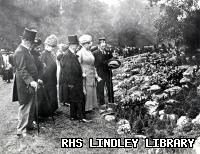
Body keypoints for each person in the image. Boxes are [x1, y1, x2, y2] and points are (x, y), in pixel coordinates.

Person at [13, 28, 40, 137]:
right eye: (31, 42)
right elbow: (22, 69)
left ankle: (29, 125)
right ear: (26, 41)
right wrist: (31, 81)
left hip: (31, 82)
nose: (32, 45)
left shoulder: (26, 50)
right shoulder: (19, 51)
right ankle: (21, 130)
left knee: (31, 105)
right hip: (25, 84)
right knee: (25, 106)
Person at [59, 35, 90, 123]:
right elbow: (67, 71)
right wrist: (71, 83)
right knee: (79, 98)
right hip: (73, 81)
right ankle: (81, 117)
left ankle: (73, 116)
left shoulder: (71, 53)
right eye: (76, 45)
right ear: (72, 45)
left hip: (74, 81)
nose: (77, 46)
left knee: (73, 99)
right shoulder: (67, 55)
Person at [77, 34, 100, 113]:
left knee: (92, 88)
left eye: (89, 43)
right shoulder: (80, 53)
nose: (90, 45)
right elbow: (78, 64)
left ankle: (91, 106)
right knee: (87, 89)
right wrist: (82, 72)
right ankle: (86, 107)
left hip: (92, 72)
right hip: (85, 73)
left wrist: (96, 73)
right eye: (88, 43)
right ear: (84, 44)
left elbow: (93, 63)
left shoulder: (89, 51)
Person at [93, 37, 114, 108]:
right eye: (102, 45)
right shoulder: (95, 53)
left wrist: (112, 63)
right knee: (100, 88)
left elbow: (112, 60)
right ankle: (101, 103)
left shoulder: (108, 52)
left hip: (108, 72)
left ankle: (111, 101)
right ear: (98, 45)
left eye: (104, 45)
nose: (104, 47)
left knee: (110, 87)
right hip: (100, 73)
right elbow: (96, 64)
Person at [40, 34, 58, 116]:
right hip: (47, 78)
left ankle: (53, 109)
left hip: (52, 77)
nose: (52, 48)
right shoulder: (44, 54)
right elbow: (43, 67)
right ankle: (47, 111)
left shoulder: (52, 53)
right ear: (46, 45)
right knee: (48, 94)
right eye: (51, 46)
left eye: (53, 46)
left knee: (53, 94)